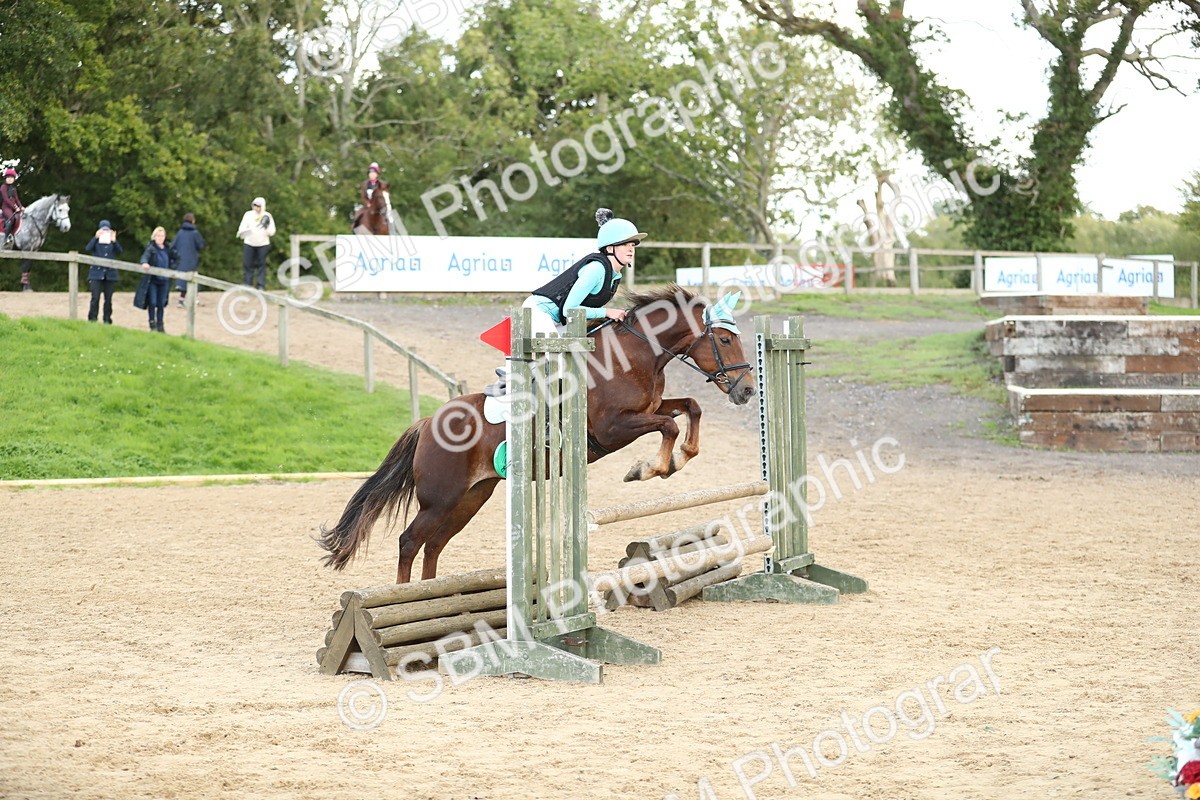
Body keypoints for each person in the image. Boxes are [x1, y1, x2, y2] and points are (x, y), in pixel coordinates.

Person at [484, 208, 646, 396]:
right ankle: (513, 380)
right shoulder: (596, 269)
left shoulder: (614, 274)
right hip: (538, 312)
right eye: (625, 245)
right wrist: (607, 312)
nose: (631, 249)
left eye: (633, 245)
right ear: (610, 248)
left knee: (583, 359)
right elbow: (571, 309)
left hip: (558, 321)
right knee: (560, 365)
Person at [84, 220, 124, 324]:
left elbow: (120, 251)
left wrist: (114, 241)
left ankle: (107, 319)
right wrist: (95, 237)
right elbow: (87, 248)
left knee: (108, 299)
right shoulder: (96, 241)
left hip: (110, 274)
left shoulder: (112, 242)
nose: (105, 231)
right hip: (96, 274)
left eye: (107, 229)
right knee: (95, 298)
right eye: (103, 229)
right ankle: (92, 319)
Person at [237, 196, 275, 290]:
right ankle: (247, 284)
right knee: (248, 264)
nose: (256, 208)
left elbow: (272, 229)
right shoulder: (248, 215)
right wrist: (242, 232)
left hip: (263, 244)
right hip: (249, 243)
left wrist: (269, 232)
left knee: (261, 265)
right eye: (255, 206)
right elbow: (242, 226)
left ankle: (261, 285)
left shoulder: (267, 216)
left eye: (258, 206)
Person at [170, 213, 206, 307]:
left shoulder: (180, 233)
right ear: (193, 221)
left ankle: (181, 301)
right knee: (193, 278)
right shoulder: (195, 233)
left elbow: (173, 246)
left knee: (183, 280)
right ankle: (195, 300)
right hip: (191, 260)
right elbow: (201, 245)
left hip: (181, 259)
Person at [139, 226, 171, 333]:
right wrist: (144, 263)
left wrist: (172, 268)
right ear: (154, 236)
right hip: (153, 280)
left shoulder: (168, 248)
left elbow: (177, 258)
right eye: (158, 236)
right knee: (152, 302)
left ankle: (160, 325)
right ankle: (152, 324)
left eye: (162, 236)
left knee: (161, 303)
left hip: (165, 280)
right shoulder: (151, 248)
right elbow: (145, 256)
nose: (160, 238)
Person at [352, 162, 389, 232]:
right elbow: (363, 196)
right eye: (370, 173)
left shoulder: (381, 184)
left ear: (377, 174)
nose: (371, 174)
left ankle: (392, 231)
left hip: (379, 206)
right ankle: (354, 230)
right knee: (357, 215)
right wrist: (367, 203)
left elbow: (384, 195)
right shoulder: (365, 184)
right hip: (367, 206)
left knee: (390, 218)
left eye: (373, 173)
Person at [1, 167, 22, 247]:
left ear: (14, 179)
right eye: (8, 178)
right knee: (12, 219)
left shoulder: (13, 188)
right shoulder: (3, 187)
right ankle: (6, 238)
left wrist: (21, 206)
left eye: (11, 178)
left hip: (14, 208)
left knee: (22, 217)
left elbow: (16, 199)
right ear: (5, 178)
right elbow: (6, 199)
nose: (10, 179)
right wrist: (15, 207)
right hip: (6, 207)